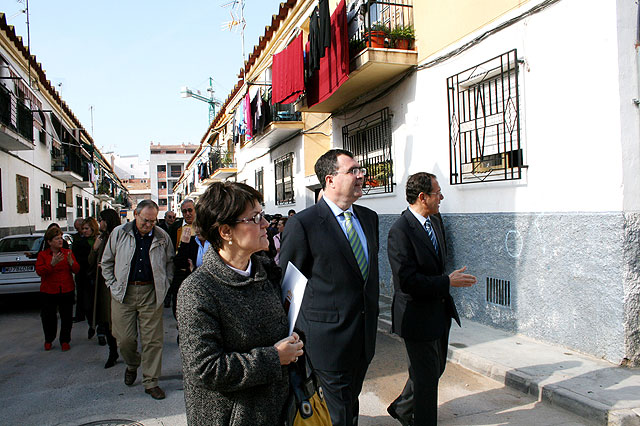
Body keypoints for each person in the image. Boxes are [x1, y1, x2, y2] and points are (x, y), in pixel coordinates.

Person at [177, 182, 303, 426]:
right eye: (255, 218)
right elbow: (206, 369)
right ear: (225, 232)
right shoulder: (198, 291)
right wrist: (274, 358)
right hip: (233, 416)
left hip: (277, 410)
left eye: (263, 214)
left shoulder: (265, 270)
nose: (266, 224)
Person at [279, 149, 379, 426]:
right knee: (339, 413)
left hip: (364, 336)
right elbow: (290, 288)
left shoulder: (369, 219)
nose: (361, 176)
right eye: (353, 171)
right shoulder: (304, 224)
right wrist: (294, 341)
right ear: (330, 179)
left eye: (361, 170)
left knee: (350, 403)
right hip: (326, 342)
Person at [386, 172, 477, 426]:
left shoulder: (435, 221)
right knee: (427, 381)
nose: (442, 197)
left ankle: (402, 407)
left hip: (439, 312)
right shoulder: (400, 231)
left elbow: (437, 265)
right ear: (423, 197)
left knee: (434, 370)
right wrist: (447, 281)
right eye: (438, 193)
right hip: (415, 317)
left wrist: (446, 282)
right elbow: (408, 281)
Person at [101, 199, 174, 400]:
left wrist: (164, 284)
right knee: (124, 338)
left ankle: (151, 381)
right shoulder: (119, 233)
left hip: (150, 292)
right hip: (123, 292)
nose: (149, 225)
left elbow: (169, 264)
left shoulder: (162, 237)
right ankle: (132, 364)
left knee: (153, 341)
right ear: (136, 215)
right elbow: (106, 261)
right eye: (145, 220)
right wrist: (112, 285)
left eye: (152, 221)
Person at [35, 227, 80, 351]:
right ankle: (49, 339)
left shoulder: (67, 253)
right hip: (49, 290)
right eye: (57, 239)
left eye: (61, 238)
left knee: (66, 317)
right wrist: (52, 264)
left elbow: (76, 270)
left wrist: (71, 263)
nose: (60, 241)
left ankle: (65, 340)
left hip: (66, 289)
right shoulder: (43, 255)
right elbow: (40, 271)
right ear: (49, 242)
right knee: (48, 317)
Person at [88, 209, 121, 368]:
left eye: (101, 220)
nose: (99, 223)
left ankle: (121, 351)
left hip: (113, 286)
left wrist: (109, 266)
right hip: (101, 287)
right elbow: (89, 262)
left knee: (114, 321)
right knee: (105, 320)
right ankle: (112, 351)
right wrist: (95, 249)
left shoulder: (118, 237)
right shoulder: (101, 238)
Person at [73, 217, 100, 338]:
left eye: (86, 228)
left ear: (93, 228)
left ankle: (101, 329)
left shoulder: (100, 240)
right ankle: (92, 325)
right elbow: (78, 259)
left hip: (99, 276)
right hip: (84, 276)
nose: (83, 231)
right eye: (82, 228)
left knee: (99, 304)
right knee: (88, 304)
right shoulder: (78, 241)